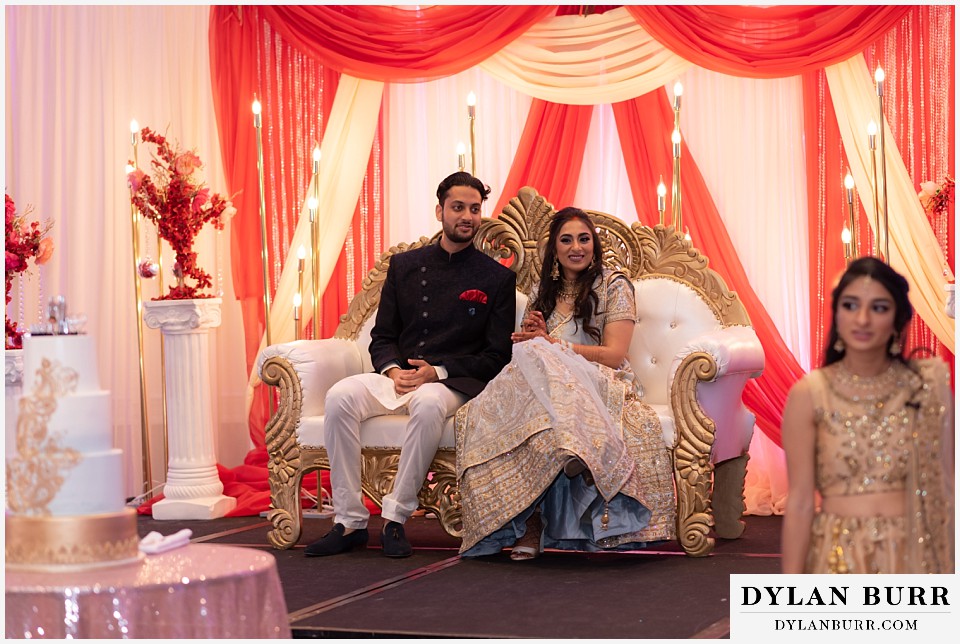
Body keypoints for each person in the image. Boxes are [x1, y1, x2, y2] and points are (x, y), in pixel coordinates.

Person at [305, 172, 516, 558]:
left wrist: (437, 372)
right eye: (458, 208)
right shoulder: (404, 266)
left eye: (474, 209)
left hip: (451, 383)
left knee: (429, 402)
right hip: (398, 377)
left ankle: (396, 519)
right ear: (440, 211)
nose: (466, 216)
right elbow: (382, 335)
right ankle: (349, 521)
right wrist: (391, 370)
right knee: (340, 397)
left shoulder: (496, 278)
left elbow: (496, 356)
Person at [455, 207, 676, 560]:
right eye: (567, 240)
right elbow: (533, 349)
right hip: (549, 385)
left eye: (584, 239)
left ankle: (536, 519)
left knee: (542, 358)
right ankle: (566, 467)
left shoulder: (614, 285)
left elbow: (616, 355)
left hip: (603, 380)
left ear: (594, 245)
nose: (577, 247)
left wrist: (556, 346)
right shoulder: (542, 289)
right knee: (514, 392)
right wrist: (534, 339)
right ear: (554, 250)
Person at [781, 257, 954, 574]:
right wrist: (791, 593)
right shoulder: (809, 394)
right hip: (838, 559)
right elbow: (801, 502)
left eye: (878, 308)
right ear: (836, 313)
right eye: (850, 305)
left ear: (898, 319)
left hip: (914, 556)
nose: (862, 319)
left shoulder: (926, 388)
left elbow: (947, 486)